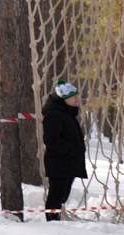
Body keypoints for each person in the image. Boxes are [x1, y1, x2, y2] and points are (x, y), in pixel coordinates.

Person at [42, 80, 88, 221]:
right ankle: (52, 221)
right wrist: (70, 150)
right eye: (73, 97)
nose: (76, 100)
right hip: (59, 163)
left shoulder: (68, 114)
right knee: (56, 194)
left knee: (62, 195)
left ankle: (56, 219)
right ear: (64, 98)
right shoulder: (54, 115)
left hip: (68, 163)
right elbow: (51, 140)